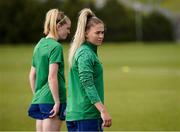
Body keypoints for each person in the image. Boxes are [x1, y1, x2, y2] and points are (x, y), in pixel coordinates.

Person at [66, 8, 112, 131]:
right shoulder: (85, 54)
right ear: (86, 33)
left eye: (102, 32)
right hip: (86, 115)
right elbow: (87, 83)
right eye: (97, 33)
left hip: (76, 114)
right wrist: (103, 110)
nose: (101, 36)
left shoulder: (84, 51)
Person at [28, 8, 71, 131]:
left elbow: (32, 75)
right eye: (67, 28)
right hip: (52, 100)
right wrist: (57, 102)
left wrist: (37, 96)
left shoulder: (39, 44)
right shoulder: (56, 47)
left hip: (40, 99)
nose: (69, 32)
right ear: (58, 26)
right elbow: (52, 77)